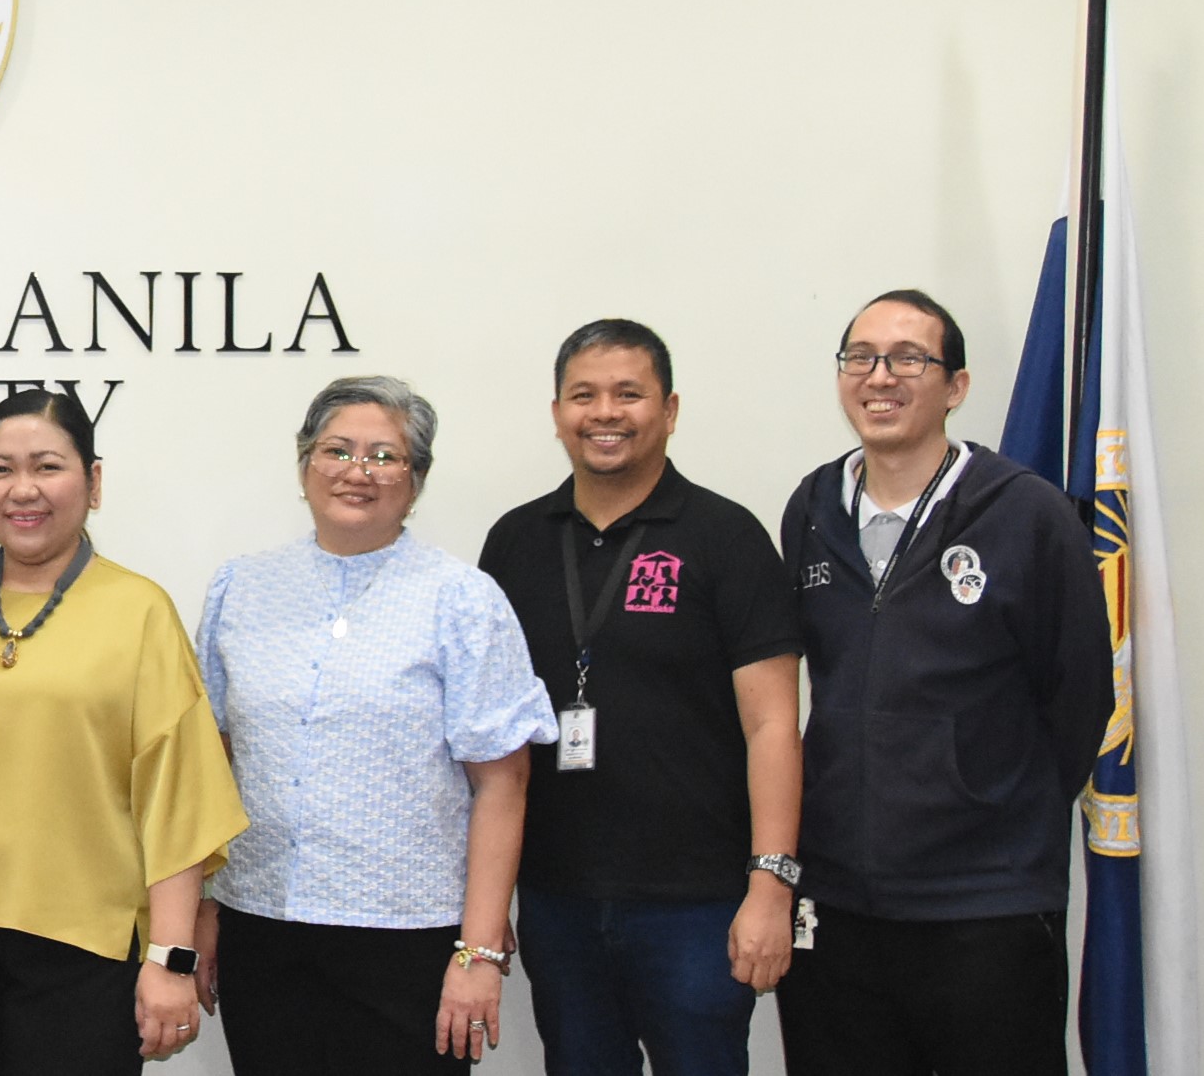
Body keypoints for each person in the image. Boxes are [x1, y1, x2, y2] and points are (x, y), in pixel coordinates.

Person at [0, 389, 248, 1075]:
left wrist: (172, 959)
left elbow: (179, 802)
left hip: (91, 948)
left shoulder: (140, 612)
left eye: (47, 466)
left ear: (93, 483)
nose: (23, 489)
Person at [775, 290, 1108, 1074]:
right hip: (840, 905)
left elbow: (1081, 696)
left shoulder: (1026, 514)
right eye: (861, 357)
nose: (880, 376)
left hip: (985, 906)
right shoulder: (814, 508)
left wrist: (990, 799)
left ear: (955, 386)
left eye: (909, 359)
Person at [195, 375, 556, 1074]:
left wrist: (478, 952)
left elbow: (503, 784)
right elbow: (216, 761)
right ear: (304, 466)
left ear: (416, 480)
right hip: (261, 927)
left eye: (385, 456)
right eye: (337, 450)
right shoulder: (240, 588)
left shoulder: (462, 601)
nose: (358, 472)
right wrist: (205, 906)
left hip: (408, 939)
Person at [475, 320, 804, 1075]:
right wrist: (487, 899)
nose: (605, 412)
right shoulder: (516, 542)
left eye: (630, 394)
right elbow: (487, 737)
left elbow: (774, 726)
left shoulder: (726, 537)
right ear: (557, 412)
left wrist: (771, 885)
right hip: (557, 897)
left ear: (670, 409)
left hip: (698, 903)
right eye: (583, 395)